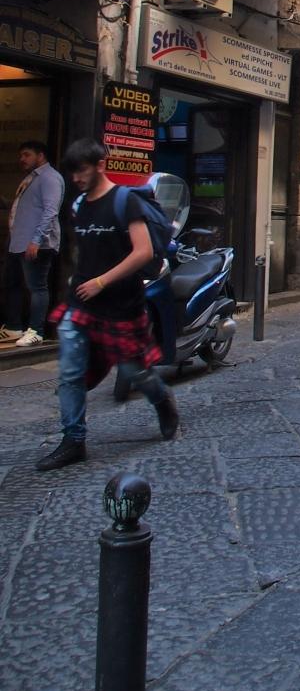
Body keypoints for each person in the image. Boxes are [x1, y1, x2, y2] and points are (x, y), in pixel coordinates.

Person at [35, 138, 179, 472]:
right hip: (82, 305)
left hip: (121, 305)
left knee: (133, 371)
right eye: (72, 172)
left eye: (82, 171)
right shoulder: (78, 205)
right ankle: (73, 440)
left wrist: (101, 281)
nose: (76, 178)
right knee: (70, 372)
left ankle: (162, 400)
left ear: (100, 165)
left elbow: (143, 252)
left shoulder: (126, 201)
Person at [1, 140, 65, 346]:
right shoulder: (31, 178)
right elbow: (26, 208)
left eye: (27, 155)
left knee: (36, 287)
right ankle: (13, 327)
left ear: (41, 155)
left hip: (37, 243)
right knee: (12, 283)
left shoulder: (50, 178)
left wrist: (36, 240)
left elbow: (50, 211)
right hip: (18, 241)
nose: (22, 159)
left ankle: (36, 330)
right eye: (21, 155)